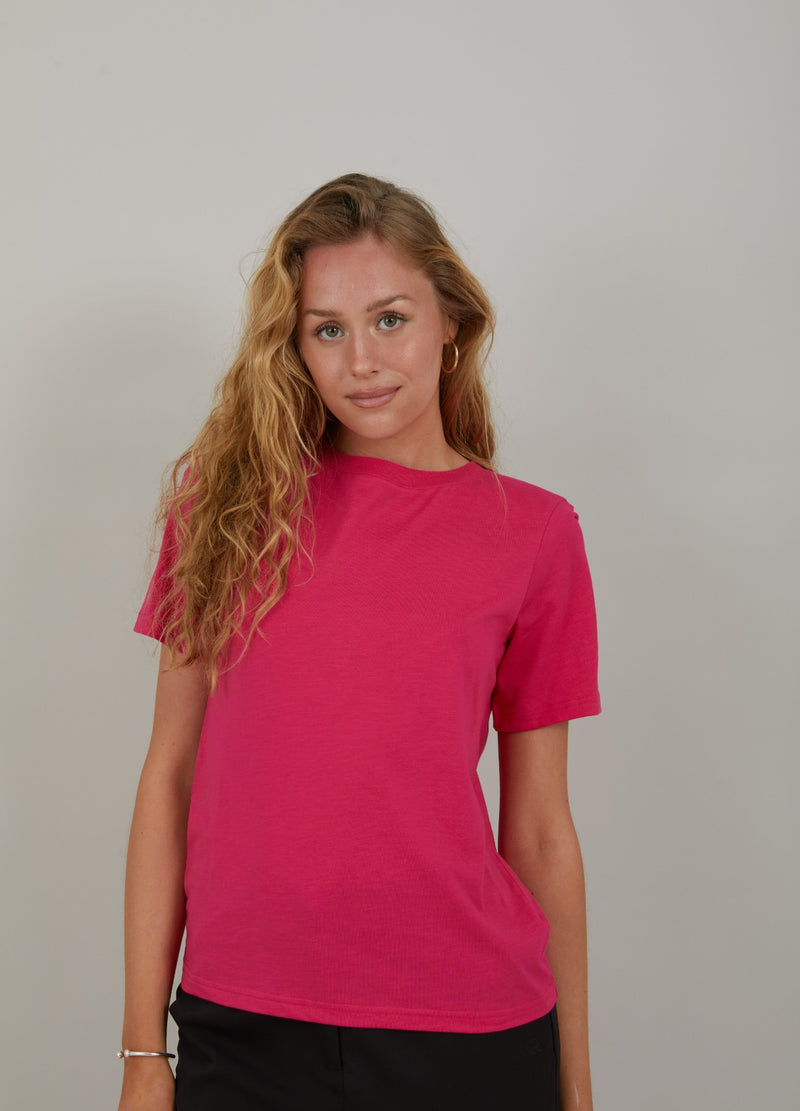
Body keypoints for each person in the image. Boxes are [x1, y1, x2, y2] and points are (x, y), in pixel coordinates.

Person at [117, 172, 601, 1111]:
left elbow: (542, 829)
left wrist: (574, 1090)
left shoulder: (534, 533)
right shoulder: (224, 510)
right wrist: (143, 1054)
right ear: (294, 345)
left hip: (469, 1030)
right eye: (328, 329)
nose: (363, 360)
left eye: (390, 319)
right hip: (243, 1030)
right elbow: (169, 776)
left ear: (451, 321)